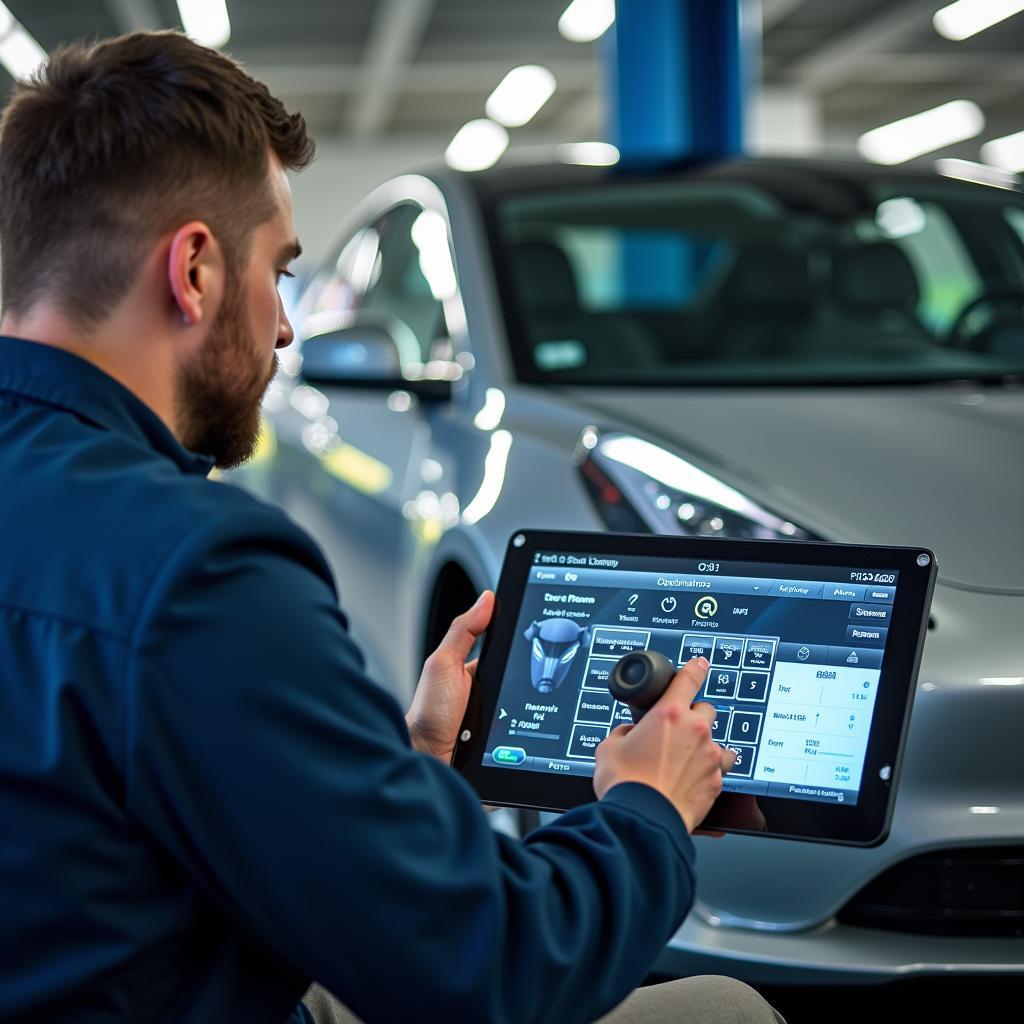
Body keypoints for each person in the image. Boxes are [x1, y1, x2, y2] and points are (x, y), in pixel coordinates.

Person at [0, 31, 783, 1024]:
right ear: (194, 270)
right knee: (723, 1009)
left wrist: (400, 766)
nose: (287, 327)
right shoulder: (194, 567)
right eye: (280, 271)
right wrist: (650, 807)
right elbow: (492, 968)